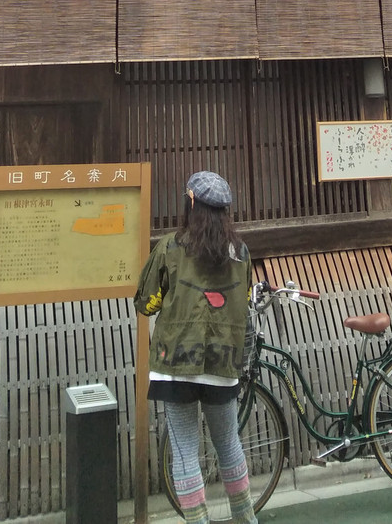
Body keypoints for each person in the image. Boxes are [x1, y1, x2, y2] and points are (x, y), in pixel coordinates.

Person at [134, 170, 258, 524]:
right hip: (223, 362)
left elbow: (146, 303)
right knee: (229, 444)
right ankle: (246, 519)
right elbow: (245, 301)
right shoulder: (241, 252)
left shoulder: (171, 248)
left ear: (191, 204)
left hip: (175, 363)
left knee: (185, 452)